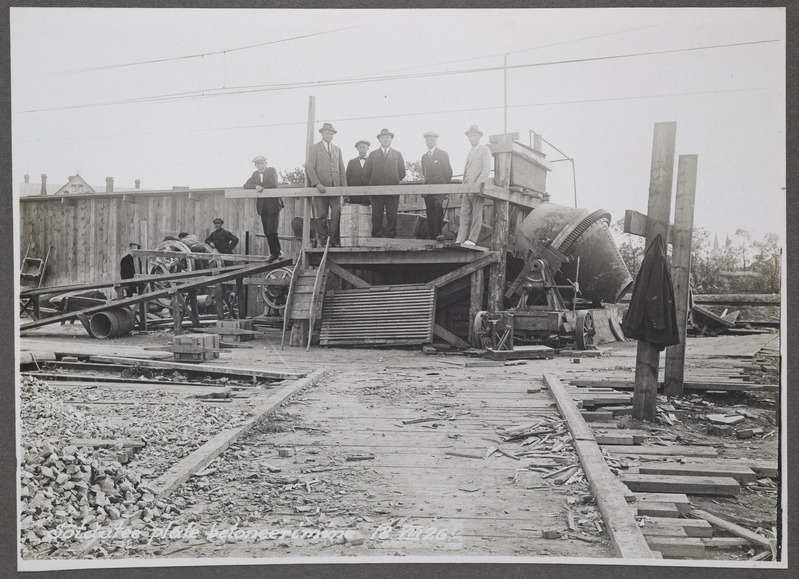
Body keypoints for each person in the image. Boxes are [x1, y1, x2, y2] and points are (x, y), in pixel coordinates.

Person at [306, 122, 346, 247]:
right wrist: (317, 184)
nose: (329, 135)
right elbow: (310, 167)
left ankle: (334, 241)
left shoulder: (337, 149)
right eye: (327, 133)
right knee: (322, 215)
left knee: (336, 214)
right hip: (321, 189)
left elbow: (341, 169)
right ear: (322, 134)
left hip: (335, 189)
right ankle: (324, 242)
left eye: (331, 133)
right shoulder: (314, 148)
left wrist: (343, 189)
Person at [365, 128, 405, 238]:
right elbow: (368, 172)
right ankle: (376, 237)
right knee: (376, 215)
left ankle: (391, 237)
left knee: (392, 215)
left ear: (391, 139)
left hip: (393, 191)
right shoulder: (373, 154)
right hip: (376, 190)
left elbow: (402, 172)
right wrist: (376, 182)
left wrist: (392, 181)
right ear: (379, 140)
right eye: (383, 138)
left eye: (388, 137)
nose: (386, 139)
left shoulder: (397, 154)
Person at [457, 124, 493, 246]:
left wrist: (477, 186)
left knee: (477, 214)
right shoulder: (470, 151)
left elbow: (486, 169)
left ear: (479, 136)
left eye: (474, 136)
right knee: (464, 213)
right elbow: (466, 170)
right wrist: (464, 186)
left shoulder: (484, 150)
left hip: (476, 188)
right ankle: (460, 239)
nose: (472, 138)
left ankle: (472, 239)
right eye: (470, 136)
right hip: (466, 188)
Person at [244, 155, 283, 262]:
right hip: (263, 206)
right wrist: (255, 186)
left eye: (262, 163)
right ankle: (274, 253)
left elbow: (273, 183)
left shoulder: (272, 171)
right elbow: (246, 185)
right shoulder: (255, 174)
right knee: (267, 232)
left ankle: (277, 252)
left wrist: (262, 187)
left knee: (272, 231)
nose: (260, 166)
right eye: (258, 164)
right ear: (255, 165)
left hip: (273, 205)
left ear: (266, 163)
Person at [420, 131, 453, 241]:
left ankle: (438, 233)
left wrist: (445, 188)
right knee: (429, 211)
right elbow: (425, 173)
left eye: (432, 139)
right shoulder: (424, 157)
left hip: (440, 188)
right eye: (427, 140)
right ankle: (432, 235)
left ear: (436, 141)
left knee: (438, 208)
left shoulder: (442, 154)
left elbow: (448, 172)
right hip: (428, 189)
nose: (429, 141)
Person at [345, 140, 371, 205]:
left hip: (368, 193)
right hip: (354, 194)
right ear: (357, 149)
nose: (362, 149)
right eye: (360, 147)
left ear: (367, 149)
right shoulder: (351, 162)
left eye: (364, 147)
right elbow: (347, 178)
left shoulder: (372, 162)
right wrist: (347, 194)